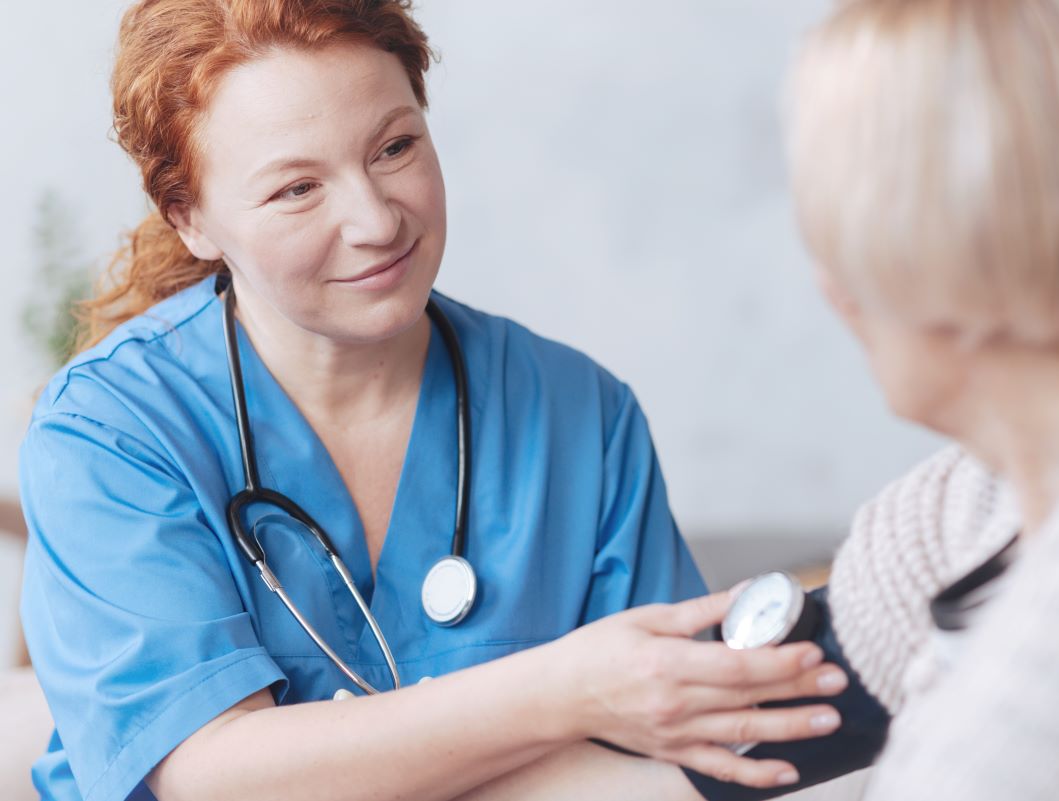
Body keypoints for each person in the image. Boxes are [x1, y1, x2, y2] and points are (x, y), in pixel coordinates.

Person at [16, 2, 850, 800]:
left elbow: (669, 755)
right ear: (190, 218)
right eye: (297, 189)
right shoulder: (110, 432)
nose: (377, 220)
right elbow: (211, 774)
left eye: (394, 147)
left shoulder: (578, 416)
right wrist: (566, 692)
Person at [449, 0, 1059, 799]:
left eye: (831, 238)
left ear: (936, 267)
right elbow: (721, 747)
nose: (828, 286)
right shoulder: (999, 490)